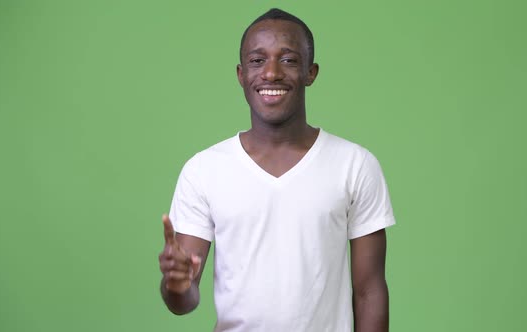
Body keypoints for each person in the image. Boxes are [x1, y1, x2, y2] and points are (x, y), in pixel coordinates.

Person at [158, 8, 396, 332]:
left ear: (311, 72)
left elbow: (369, 292)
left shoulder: (355, 165)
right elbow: (183, 301)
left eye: (288, 60)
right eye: (257, 61)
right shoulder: (204, 170)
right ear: (241, 74)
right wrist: (176, 283)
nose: (271, 73)